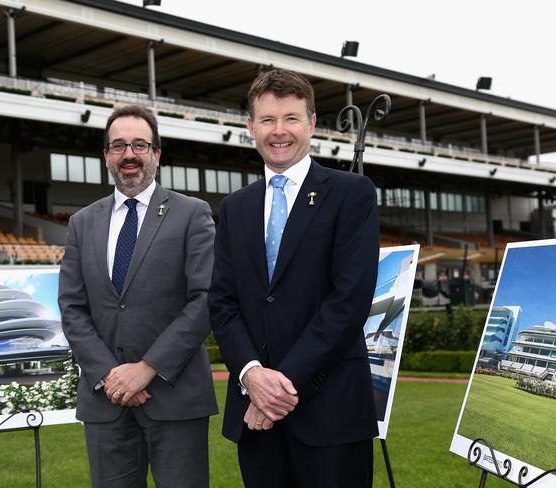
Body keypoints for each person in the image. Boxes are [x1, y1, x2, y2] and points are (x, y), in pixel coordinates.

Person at [209, 69, 380, 487]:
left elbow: (349, 301)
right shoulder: (235, 208)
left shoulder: (352, 193)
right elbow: (222, 303)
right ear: (250, 127)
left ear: (312, 124)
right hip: (256, 417)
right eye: (267, 120)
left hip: (331, 412)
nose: (279, 131)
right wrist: (251, 375)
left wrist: (277, 391)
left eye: (291, 118)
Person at [59, 105, 217, 488]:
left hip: (175, 397)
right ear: (106, 156)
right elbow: (72, 308)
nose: (129, 154)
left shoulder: (192, 214)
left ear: (157, 154)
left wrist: (147, 369)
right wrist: (110, 376)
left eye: (139, 145)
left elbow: (205, 299)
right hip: (105, 400)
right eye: (118, 146)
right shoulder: (81, 223)